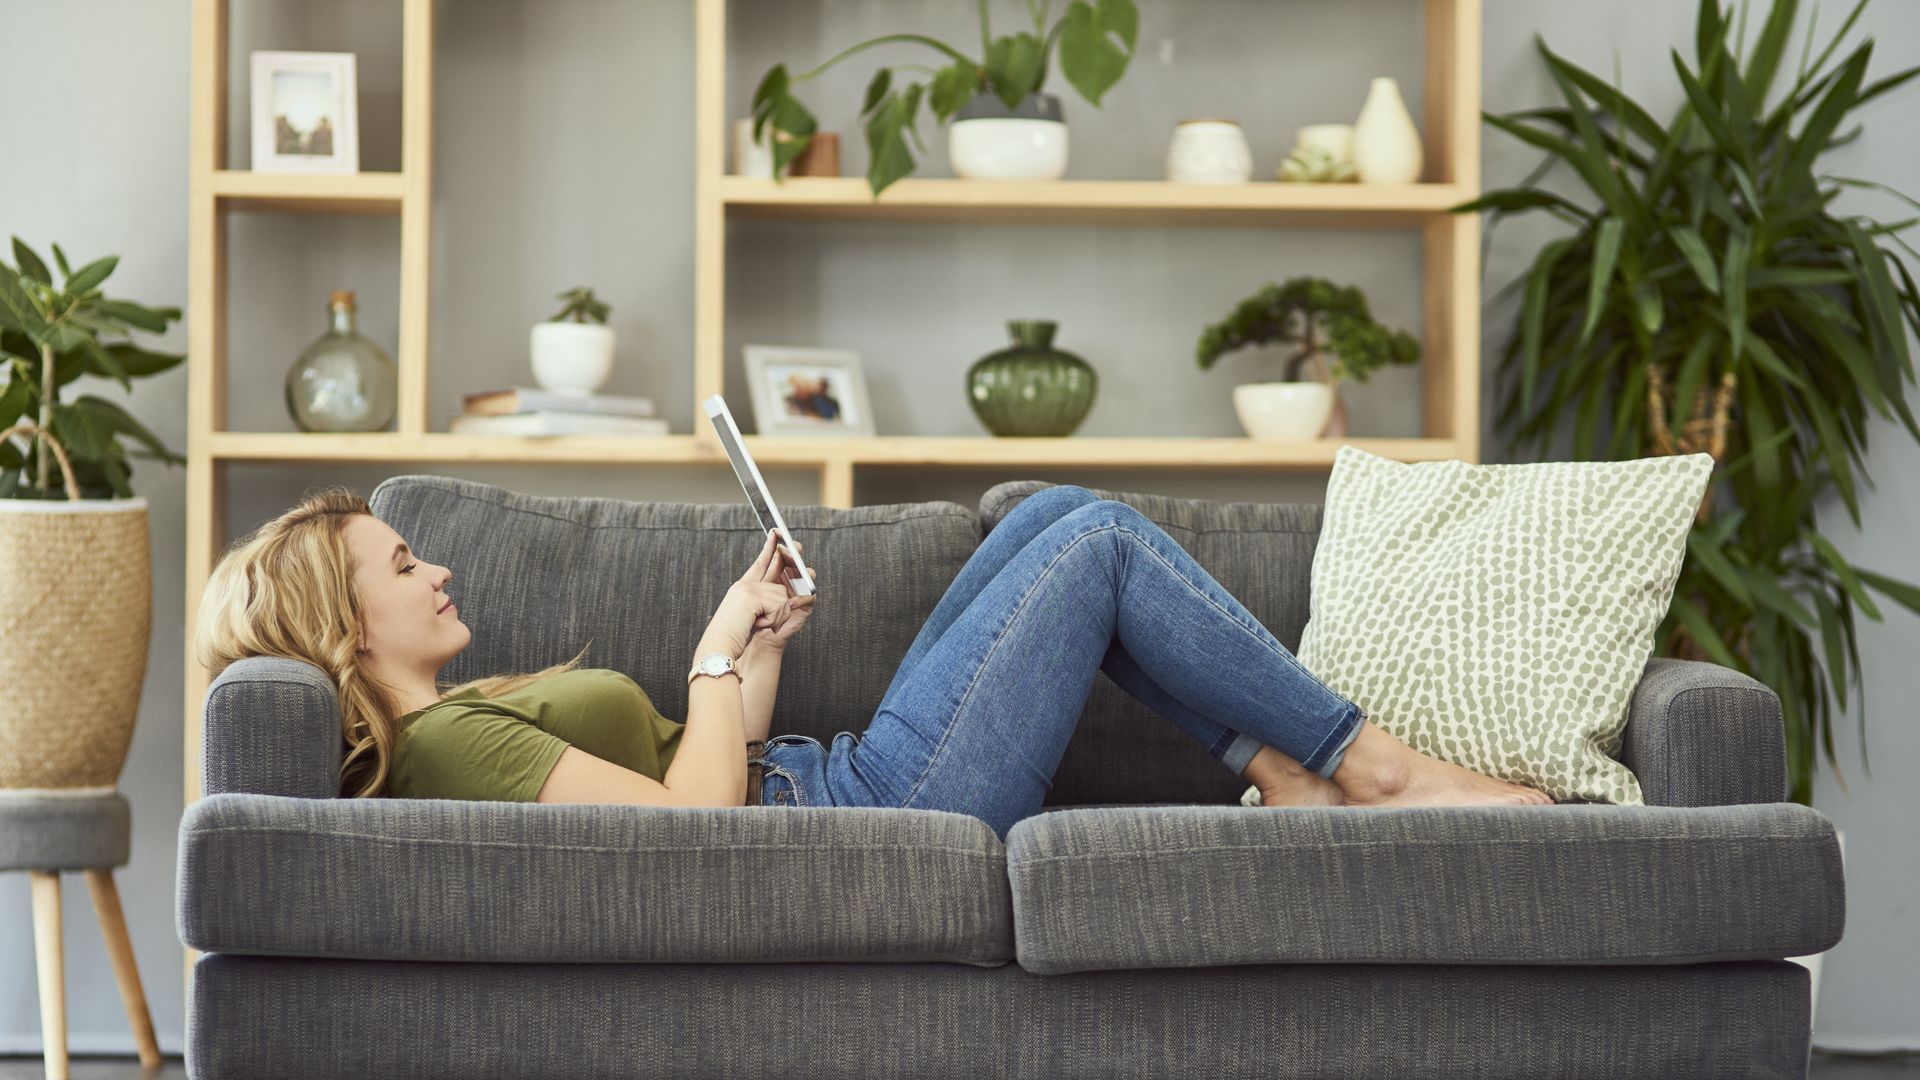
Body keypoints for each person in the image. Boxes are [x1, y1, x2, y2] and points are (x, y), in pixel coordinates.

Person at [194, 484, 1548, 840]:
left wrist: (757, 648)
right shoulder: (440, 750)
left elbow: (703, 766)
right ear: (344, 627)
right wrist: (715, 653)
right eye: (401, 566)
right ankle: (1371, 770)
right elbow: (693, 830)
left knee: (1051, 517)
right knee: (1102, 549)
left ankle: (1296, 782)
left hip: (823, 780)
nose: (436, 571)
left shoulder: (471, 712)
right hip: (867, 815)